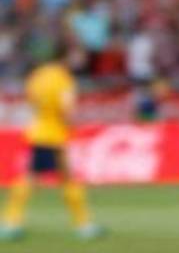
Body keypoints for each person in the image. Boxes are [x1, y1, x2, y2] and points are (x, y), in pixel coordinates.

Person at [0, 40, 104, 241]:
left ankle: (83, 224)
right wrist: (71, 123)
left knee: (61, 177)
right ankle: (11, 222)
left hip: (39, 130)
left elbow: (30, 100)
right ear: (66, 56)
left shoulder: (37, 76)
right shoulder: (63, 79)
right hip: (54, 134)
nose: (78, 59)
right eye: (76, 55)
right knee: (37, 177)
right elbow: (67, 107)